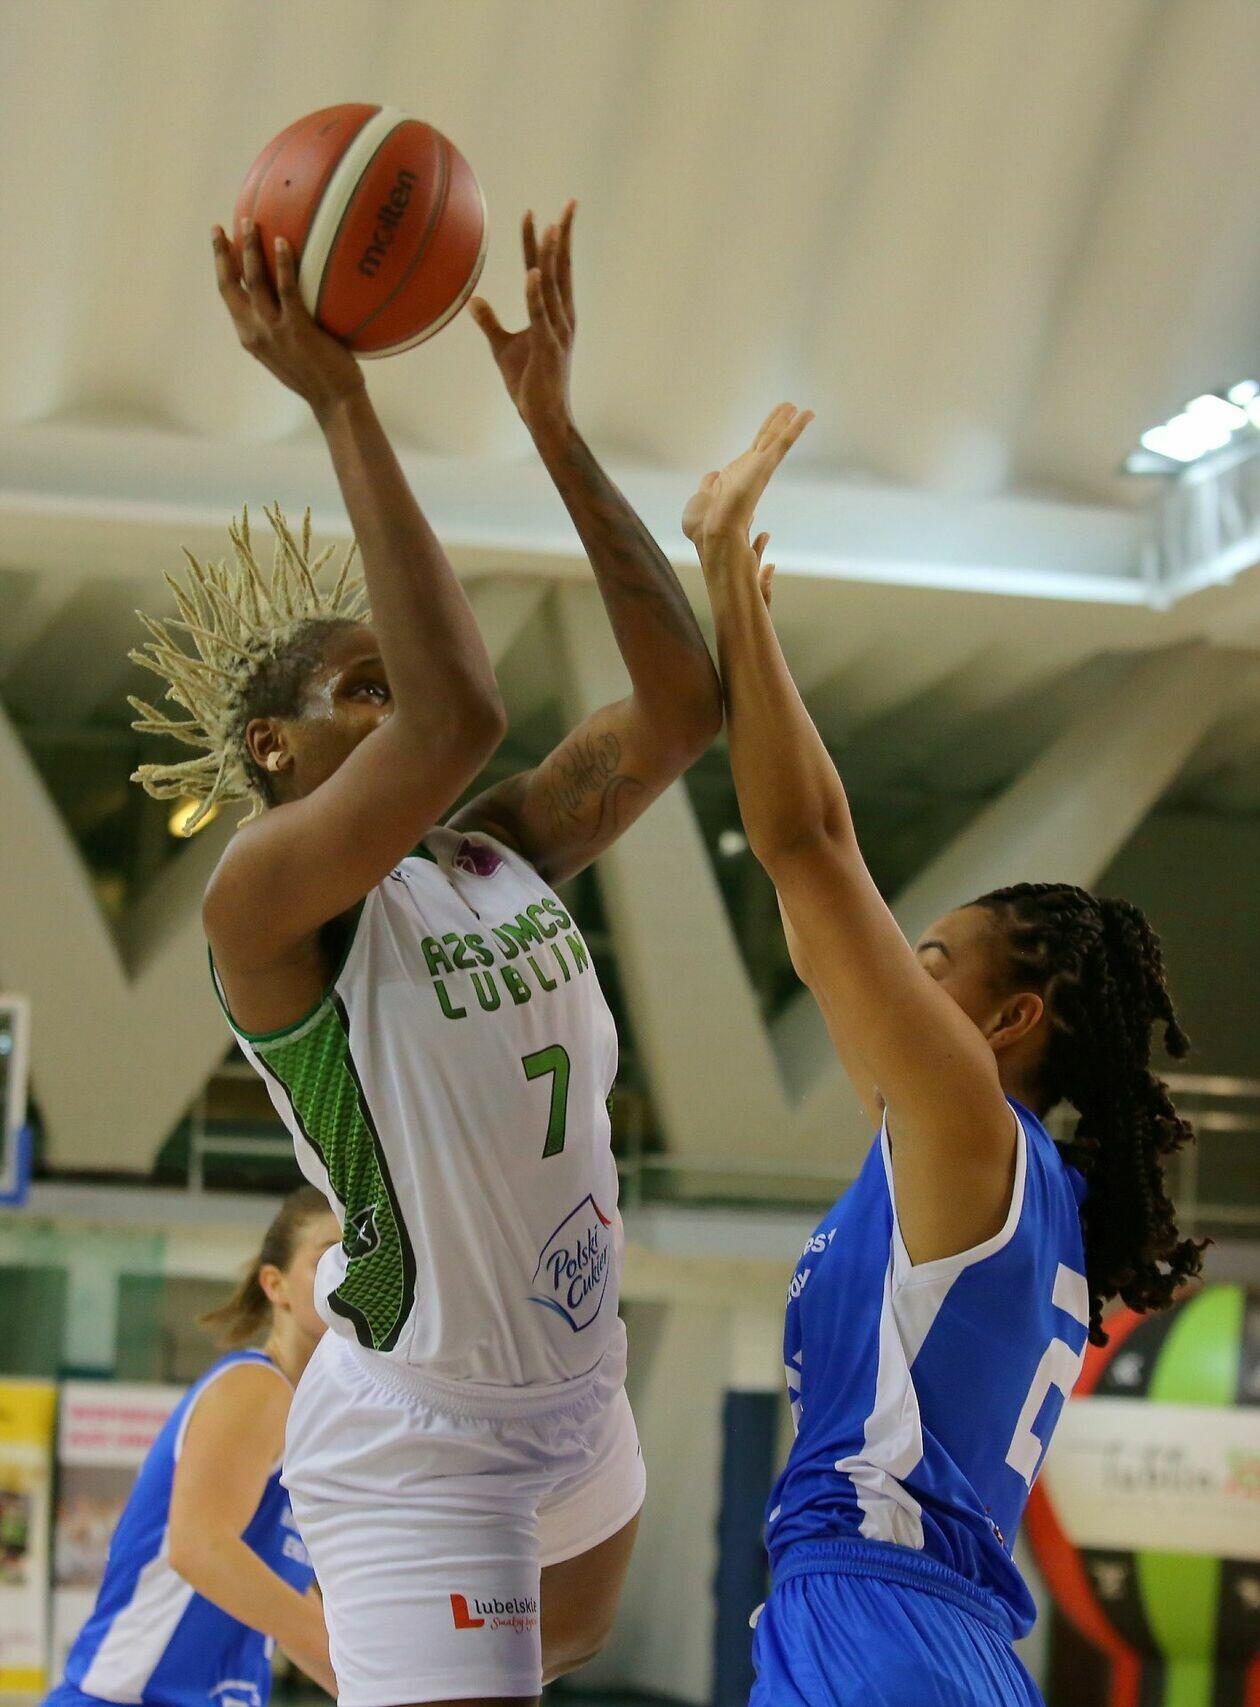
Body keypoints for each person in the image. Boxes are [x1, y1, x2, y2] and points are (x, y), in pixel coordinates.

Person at [128, 202, 722, 1707]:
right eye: (360, 690)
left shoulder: (490, 850)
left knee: (552, 1659)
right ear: (272, 747)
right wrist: (342, 399)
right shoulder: (264, 904)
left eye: (396, 682)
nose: (398, 707)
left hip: (582, 1391)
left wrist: (555, 434)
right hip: (425, 1432)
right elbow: (461, 711)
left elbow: (681, 709)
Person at [682, 406, 1205, 1706]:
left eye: (931, 963)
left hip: (879, 1617)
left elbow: (809, 849)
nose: (896, 980)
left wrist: (724, 570)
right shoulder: (998, 1176)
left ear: (1009, 1020)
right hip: (942, 1639)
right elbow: (818, 898)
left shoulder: (972, 1124)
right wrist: (743, 629)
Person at [45, 1186, 341, 1707]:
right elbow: (200, 1548)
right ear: (275, 1285)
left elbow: (289, 1604)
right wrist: (369, 1669)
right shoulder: (257, 1385)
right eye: (328, 1257)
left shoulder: (316, 1420)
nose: (346, 1273)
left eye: (358, 1258)